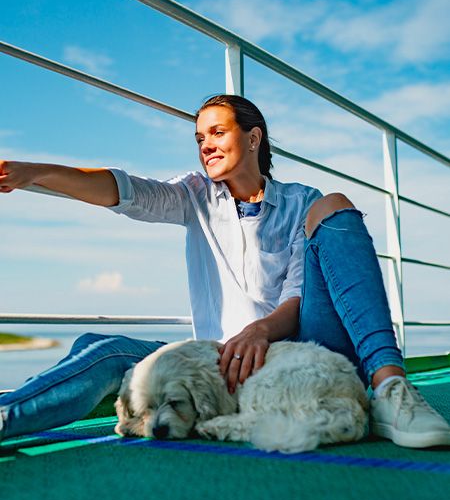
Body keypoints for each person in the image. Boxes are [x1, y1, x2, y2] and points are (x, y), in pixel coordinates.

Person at [0, 94, 449, 448]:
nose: (205, 145)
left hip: (300, 352)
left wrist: (258, 332)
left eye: (217, 132)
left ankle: (391, 388)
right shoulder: (195, 195)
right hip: (218, 359)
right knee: (101, 348)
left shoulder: (300, 201)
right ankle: (6, 416)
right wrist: (34, 171)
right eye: (199, 138)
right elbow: (124, 190)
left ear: (254, 139)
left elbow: (297, 297)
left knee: (334, 206)